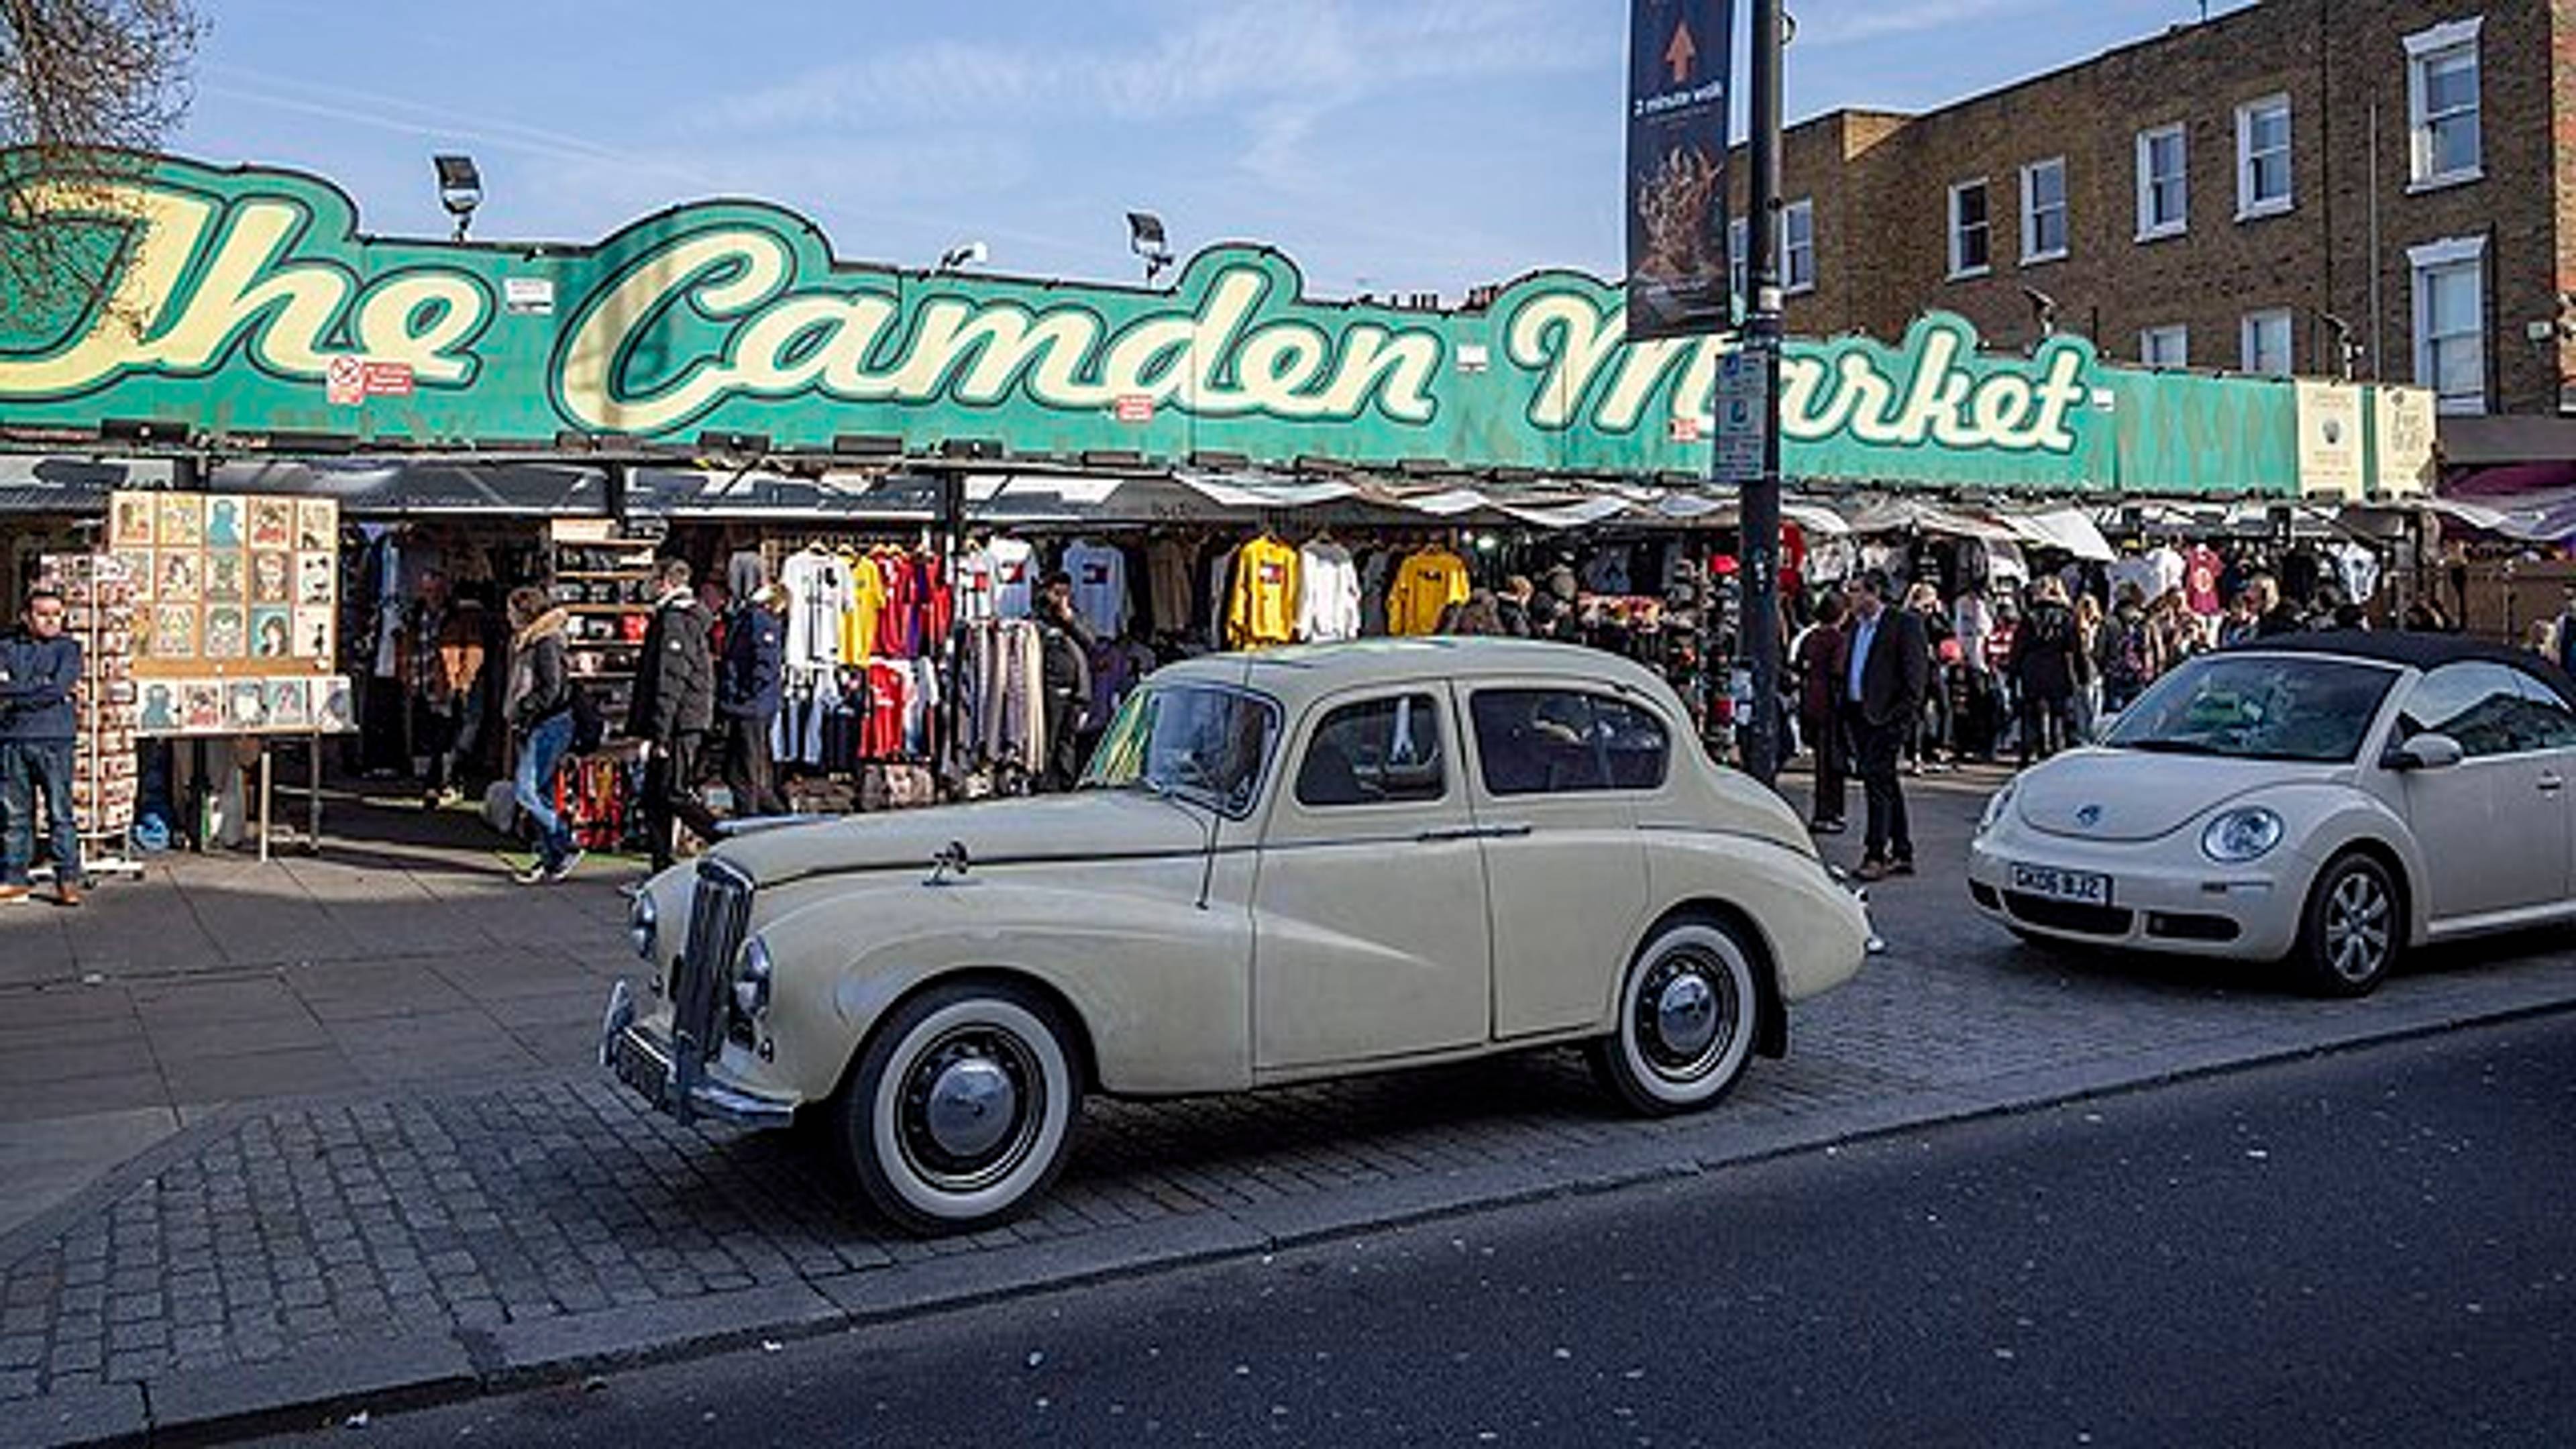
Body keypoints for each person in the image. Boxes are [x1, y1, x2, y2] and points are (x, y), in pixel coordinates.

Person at [1841, 571, 1930, 883]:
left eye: (1856, 591)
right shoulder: (1855, 627)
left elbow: (1915, 679)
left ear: (1873, 593)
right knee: (1884, 783)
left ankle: (1875, 852)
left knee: (1877, 785)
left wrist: (1899, 718)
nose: (1850, 598)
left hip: (1886, 719)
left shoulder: (1902, 625)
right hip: (1859, 715)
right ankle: (1902, 850)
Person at [0, 586, 87, 905]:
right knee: (15, 814)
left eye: (56, 614)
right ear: (27, 616)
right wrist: (39, 688)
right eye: (42, 614)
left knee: (60, 812)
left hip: (55, 739)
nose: (50, 621)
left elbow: (59, 686)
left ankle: (68, 879)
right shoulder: (7, 646)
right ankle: (14, 878)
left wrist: (22, 691)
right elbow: (3, 688)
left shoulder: (70, 649)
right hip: (12, 740)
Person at [629, 557, 716, 871]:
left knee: (673, 792)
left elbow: (671, 678)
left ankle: (723, 838)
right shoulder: (676, 616)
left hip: (680, 722)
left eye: (652, 579)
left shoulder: (676, 619)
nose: (648, 586)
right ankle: (660, 865)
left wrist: (661, 733)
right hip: (679, 720)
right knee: (655, 796)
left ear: (665, 581)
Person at [502, 587, 581, 885]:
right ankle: (551, 857)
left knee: (526, 789)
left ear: (525, 613)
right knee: (542, 792)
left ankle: (564, 842)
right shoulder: (532, 641)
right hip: (539, 724)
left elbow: (551, 688)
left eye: (512, 611)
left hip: (548, 724)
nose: (508, 617)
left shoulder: (544, 642)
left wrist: (524, 708)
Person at [716, 581, 791, 818]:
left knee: (747, 772)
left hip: (752, 707)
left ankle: (761, 818)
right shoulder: (749, 616)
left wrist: (744, 693)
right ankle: (759, 814)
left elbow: (764, 663)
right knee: (736, 771)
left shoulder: (759, 619)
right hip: (746, 705)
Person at [1792, 590, 1849, 834]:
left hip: (1811, 700)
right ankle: (1829, 812)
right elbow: (1839, 670)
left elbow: (1798, 665)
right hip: (1830, 704)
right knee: (1832, 762)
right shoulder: (1838, 640)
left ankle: (1823, 811)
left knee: (1822, 761)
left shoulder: (1811, 637)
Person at [2009, 577, 2082, 767]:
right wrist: (2081, 673)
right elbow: (2076, 647)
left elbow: (2018, 647)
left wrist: (2013, 672)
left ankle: (2027, 754)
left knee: (2031, 713)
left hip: (2032, 667)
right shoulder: (2067, 616)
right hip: (2058, 666)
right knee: (2059, 713)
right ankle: (2057, 753)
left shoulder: (2029, 616)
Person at [1034, 570, 1096, 792]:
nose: (1061, 598)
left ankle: (1067, 784)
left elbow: (1091, 641)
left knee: (1068, 741)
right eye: (1056, 592)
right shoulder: (1038, 619)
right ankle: (1047, 785)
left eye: (1065, 592)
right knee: (1050, 740)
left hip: (1077, 689)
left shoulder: (1074, 616)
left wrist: (1069, 619)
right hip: (1050, 688)